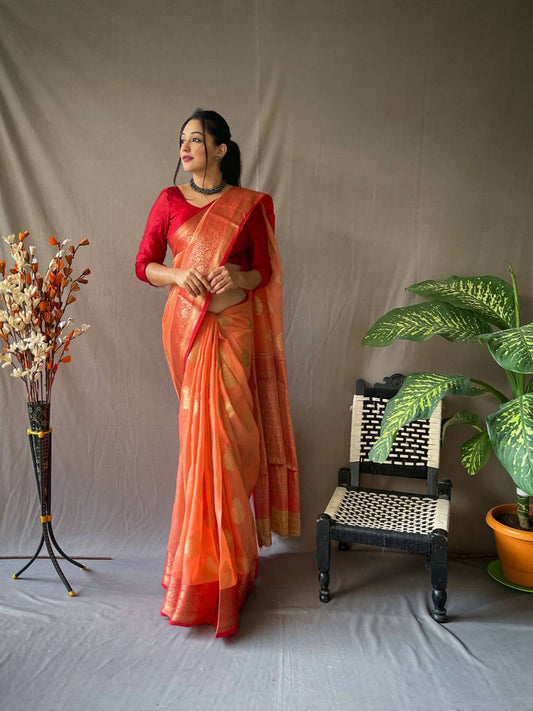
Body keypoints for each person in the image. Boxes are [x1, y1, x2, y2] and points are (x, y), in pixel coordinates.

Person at [135, 109, 300, 637]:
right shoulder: (169, 202)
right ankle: (201, 575)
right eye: (182, 140)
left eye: (197, 140)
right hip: (188, 331)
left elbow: (264, 272)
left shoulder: (249, 207)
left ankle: (236, 571)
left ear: (222, 148)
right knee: (197, 450)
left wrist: (238, 272)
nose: (186, 148)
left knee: (230, 447)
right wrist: (181, 274)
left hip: (233, 332)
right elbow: (144, 264)